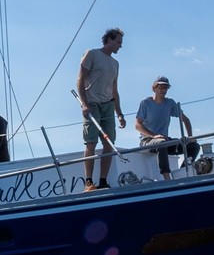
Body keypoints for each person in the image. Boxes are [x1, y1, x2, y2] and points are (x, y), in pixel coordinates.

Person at [76, 28, 126, 192]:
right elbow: (80, 80)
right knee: (91, 142)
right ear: (109, 40)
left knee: (109, 143)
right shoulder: (92, 54)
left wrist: (119, 114)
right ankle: (88, 182)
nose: (120, 46)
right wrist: (84, 103)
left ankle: (103, 181)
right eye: (118, 42)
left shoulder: (115, 64)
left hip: (108, 105)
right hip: (92, 103)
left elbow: (115, 90)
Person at [135, 76, 199, 179]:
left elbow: (185, 120)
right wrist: (153, 136)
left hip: (165, 141)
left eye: (165, 88)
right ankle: (167, 178)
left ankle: (183, 172)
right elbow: (138, 125)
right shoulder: (145, 103)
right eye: (160, 87)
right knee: (162, 142)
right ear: (154, 88)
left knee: (194, 146)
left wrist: (190, 136)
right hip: (147, 141)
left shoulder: (170, 103)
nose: (163, 90)